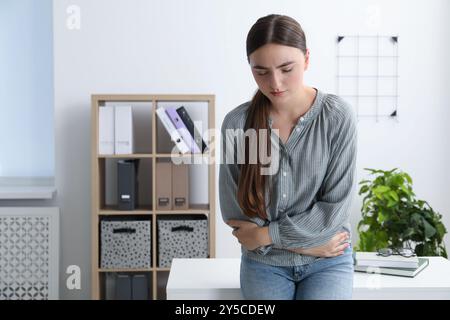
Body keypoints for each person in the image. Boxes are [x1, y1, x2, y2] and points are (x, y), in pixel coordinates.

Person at [218, 14, 357, 300]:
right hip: (265, 265)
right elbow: (238, 218)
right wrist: (307, 244)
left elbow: (333, 212)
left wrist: (267, 236)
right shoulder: (237, 123)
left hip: (328, 262)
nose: (275, 83)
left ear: (306, 59)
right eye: (261, 71)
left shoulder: (337, 117)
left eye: (286, 68)